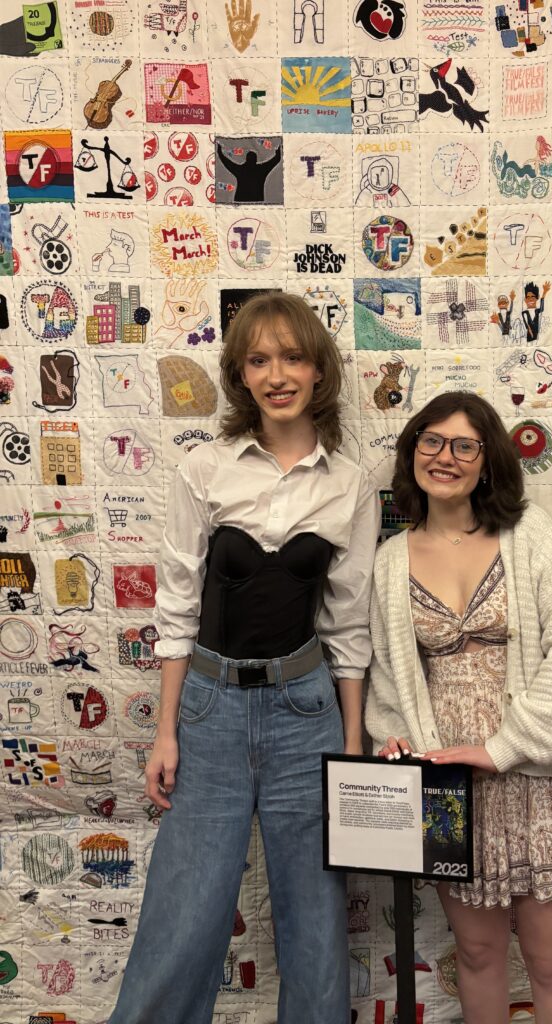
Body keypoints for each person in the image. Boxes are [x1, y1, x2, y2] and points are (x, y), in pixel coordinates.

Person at [109, 292, 380, 1024]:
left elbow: (348, 624)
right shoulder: (204, 470)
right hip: (210, 708)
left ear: (319, 371)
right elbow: (176, 607)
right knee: (184, 916)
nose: (277, 374)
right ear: (240, 375)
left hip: (307, 714)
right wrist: (166, 730)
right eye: (258, 359)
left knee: (315, 924)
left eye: (292, 356)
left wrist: (350, 745)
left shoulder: (350, 484)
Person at [365, 392, 552, 1024]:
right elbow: (391, 682)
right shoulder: (390, 561)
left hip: (544, 782)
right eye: (431, 441)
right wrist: (392, 742)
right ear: (412, 451)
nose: (445, 457)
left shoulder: (530, 535)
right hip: (454, 790)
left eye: (464, 445)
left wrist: (501, 748)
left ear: (488, 460)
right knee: (476, 957)